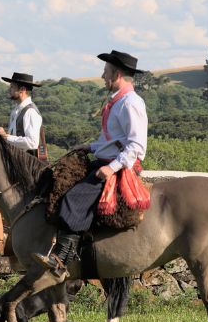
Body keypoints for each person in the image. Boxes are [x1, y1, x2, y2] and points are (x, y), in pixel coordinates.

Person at [34, 50, 147, 279]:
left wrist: (111, 168)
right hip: (105, 160)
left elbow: (136, 146)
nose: (103, 76)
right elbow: (112, 140)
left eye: (106, 72)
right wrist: (90, 147)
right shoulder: (118, 101)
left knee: (74, 199)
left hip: (117, 167)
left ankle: (61, 260)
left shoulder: (130, 103)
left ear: (116, 73)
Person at [0, 71, 43, 256]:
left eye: (12, 87)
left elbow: (32, 142)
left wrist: (6, 137)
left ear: (22, 90)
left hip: (25, 167)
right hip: (14, 163)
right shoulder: (17, 110)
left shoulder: (30, 112)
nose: (9, 89)